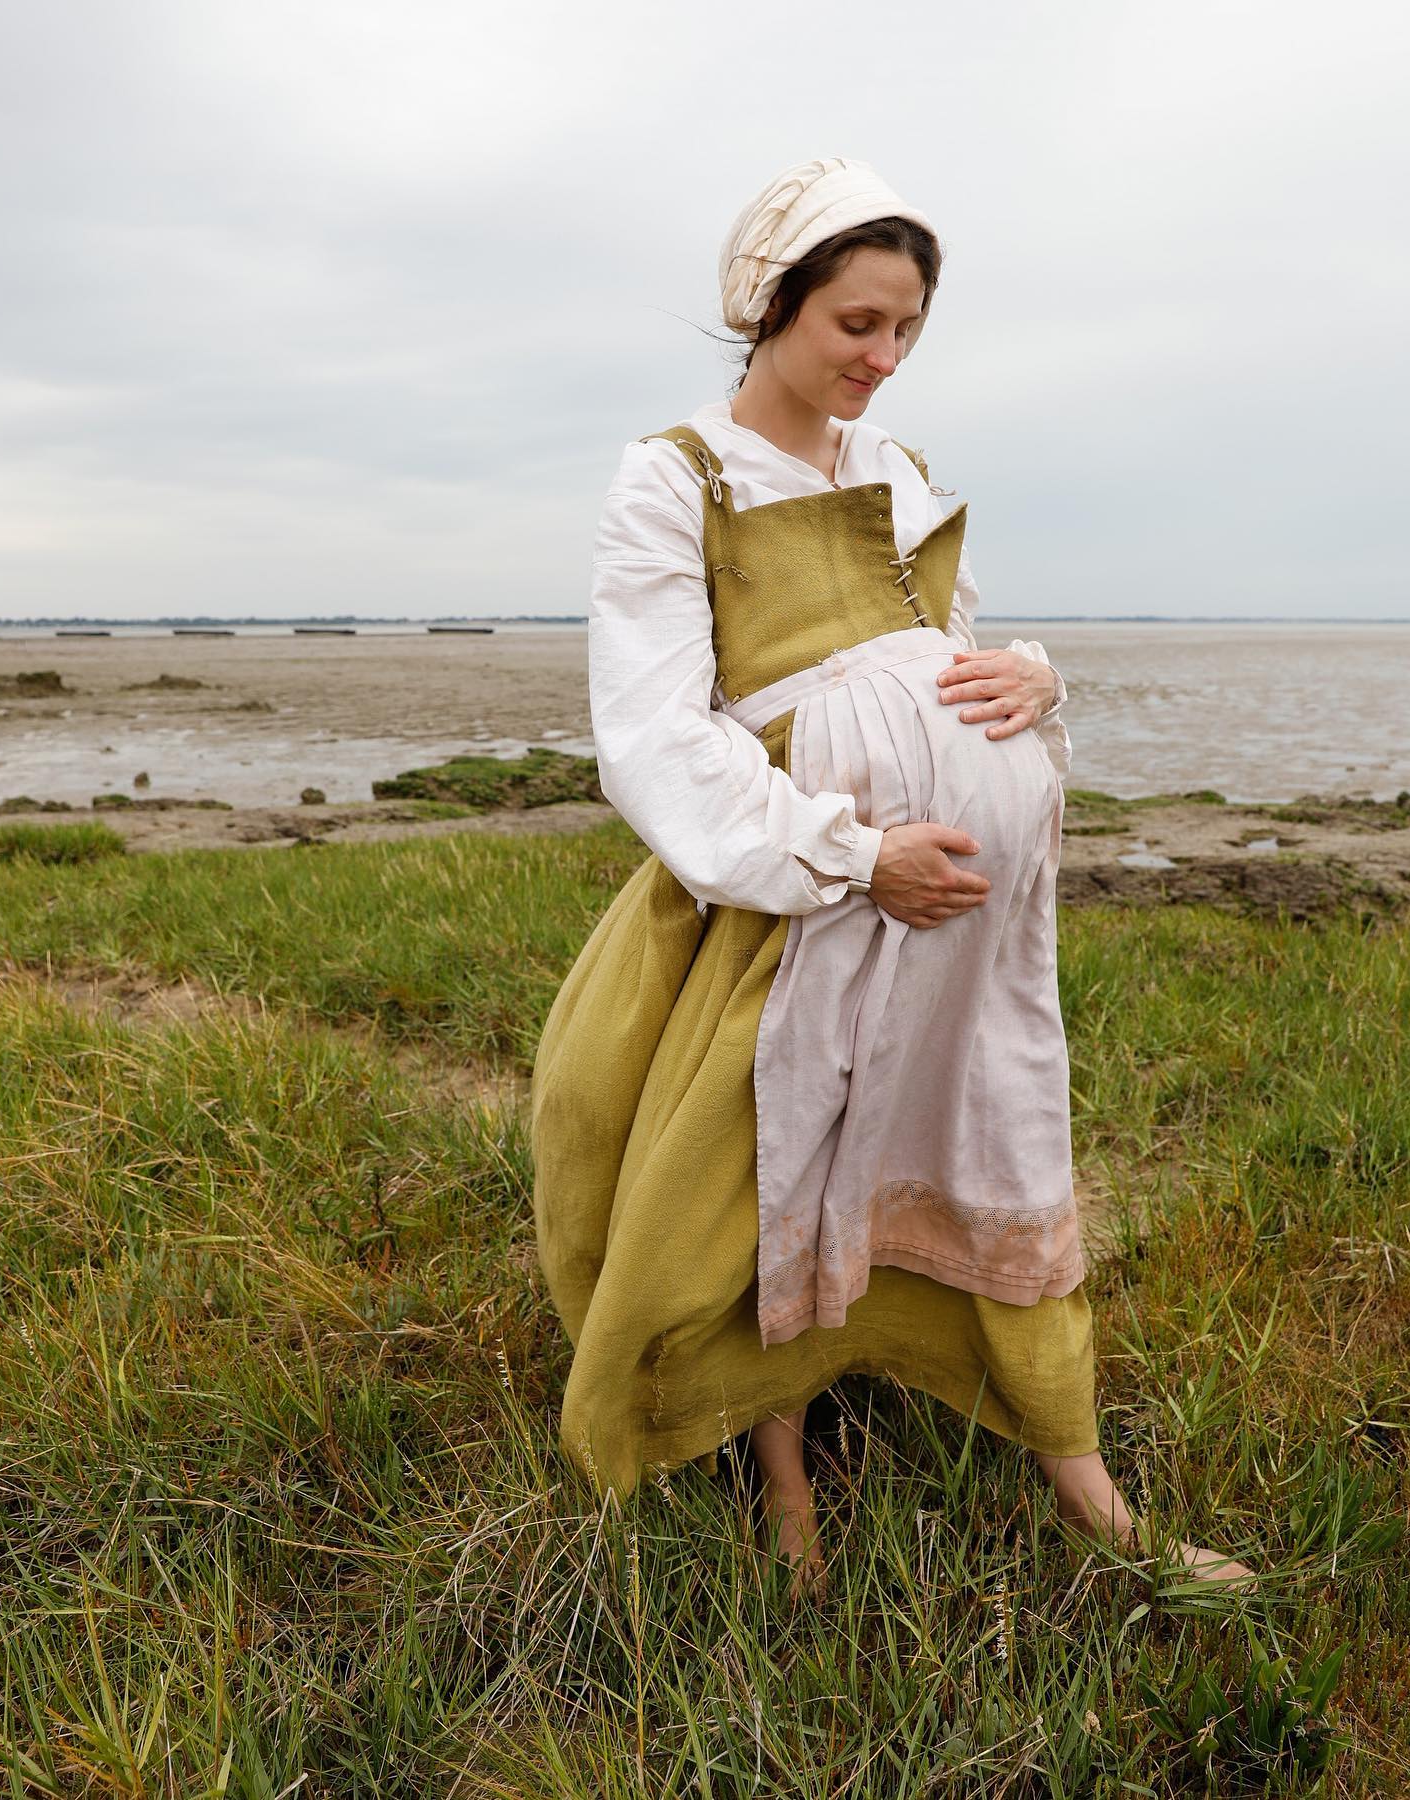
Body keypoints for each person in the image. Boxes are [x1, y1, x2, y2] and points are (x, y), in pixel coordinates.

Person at [531, 157, 1250, 1595]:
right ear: (769, 306)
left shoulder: (901, 473)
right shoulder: (674, 479)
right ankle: (782, 1475)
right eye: (856, 322)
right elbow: (654, 735)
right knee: (780, 1161)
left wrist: (1033, 683)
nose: (883, 357)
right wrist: (856, 855)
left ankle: (1081, 1475)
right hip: (797, 894)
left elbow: (949, 650)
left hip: (961, 919)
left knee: (978, 1129)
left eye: (906, 329)